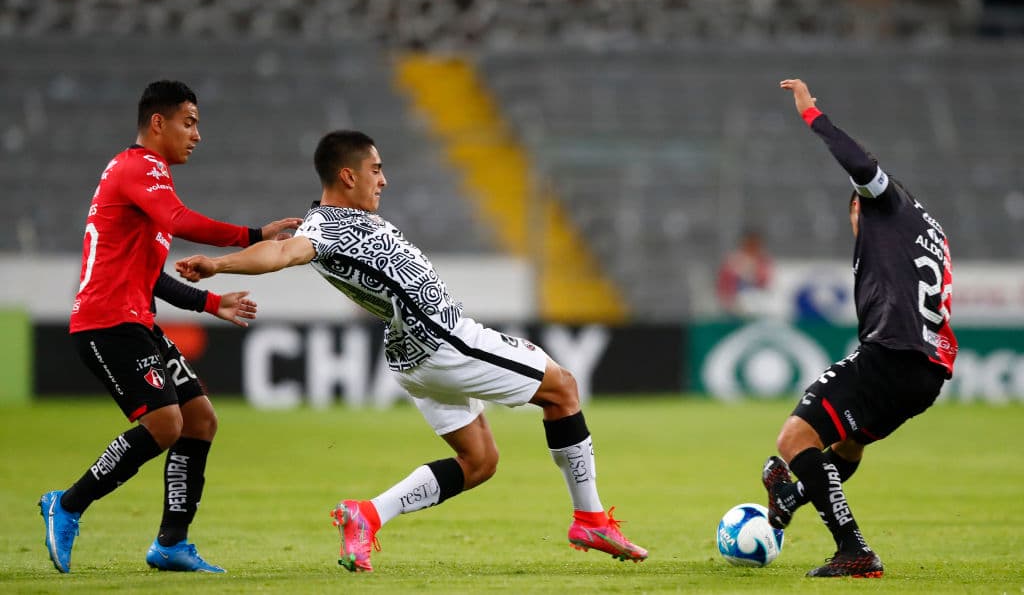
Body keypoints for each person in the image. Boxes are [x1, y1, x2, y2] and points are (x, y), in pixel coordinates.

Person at [175, 130, 648, 573]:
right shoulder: (326, 229)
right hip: (446, 342)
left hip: (410, 355)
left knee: (479, 462)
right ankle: (590, 520)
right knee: (562, 388)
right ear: (348, 175)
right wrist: (217, 264)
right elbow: (281, 255)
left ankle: (367, 515)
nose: (384, 179)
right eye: (376, 169)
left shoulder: (340, 220)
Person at [39, 80, 302, 574]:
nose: (197, 135)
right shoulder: (140, 168)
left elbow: (147, 273)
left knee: (200, 419)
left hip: (136, 320)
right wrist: (253, 235)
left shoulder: (143, 178)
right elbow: (179, 220)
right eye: (189, 122)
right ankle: (68, 504)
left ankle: (171, 543)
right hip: (106, 323)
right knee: (164, 425)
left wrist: (210, 302)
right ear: (157, 123)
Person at [761, 79, 956, 578]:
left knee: (794, 439)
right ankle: (790, 497)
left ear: (858, 206)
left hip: (892, 355)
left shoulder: (883, 206)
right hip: (927, 376)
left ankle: (855, 550)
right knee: (848, 445)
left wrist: (812, 116)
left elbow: (863, 167)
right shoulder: (930, 232)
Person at [716, 230, 773, 318]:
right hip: (735, 308)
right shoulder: (733, 262)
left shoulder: (764, 262)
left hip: (759, 306)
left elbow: (767, 284)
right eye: (750, 244)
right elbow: (723, 287)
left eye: (755, 244)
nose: (752, 247)